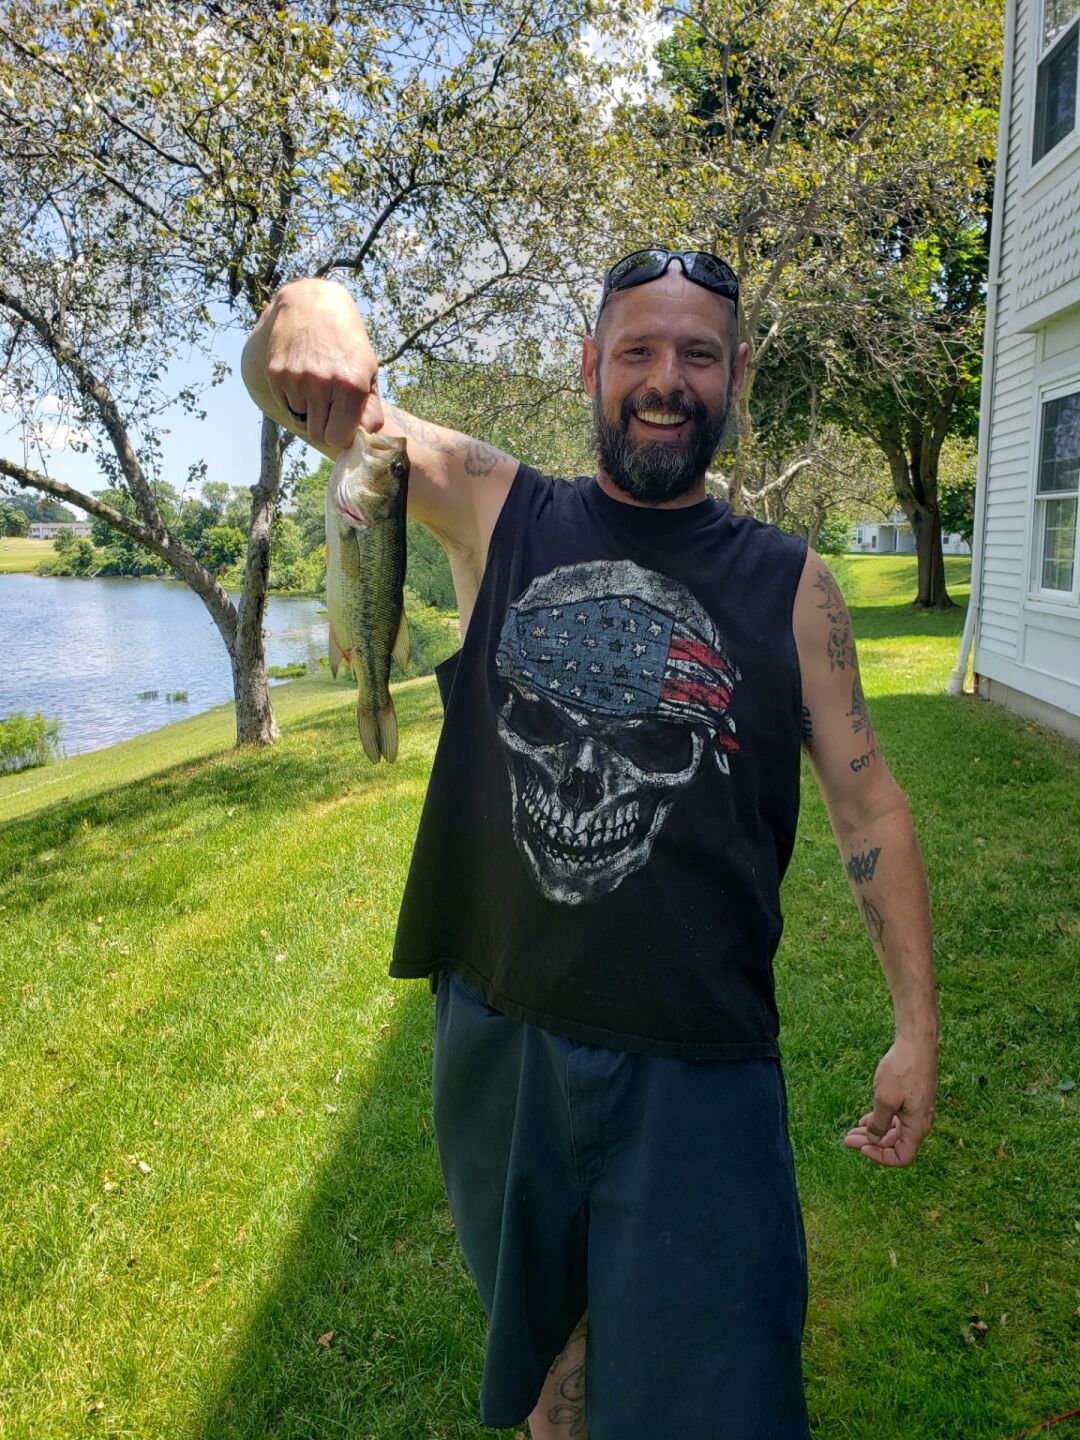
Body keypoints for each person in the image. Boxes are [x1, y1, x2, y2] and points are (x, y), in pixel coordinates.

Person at [242, 247, 939, 1439]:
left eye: (699, 355)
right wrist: (310, 309)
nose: (667, 380)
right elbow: (309, 394)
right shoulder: (496, 507)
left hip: (702, 1059)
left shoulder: (794, 587)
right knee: (552, 1394)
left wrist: (915, 1027)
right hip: (505, 1039)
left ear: (737, 377)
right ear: (589, 368)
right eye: (638, 351)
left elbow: (869, 807)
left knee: (722, 1397)